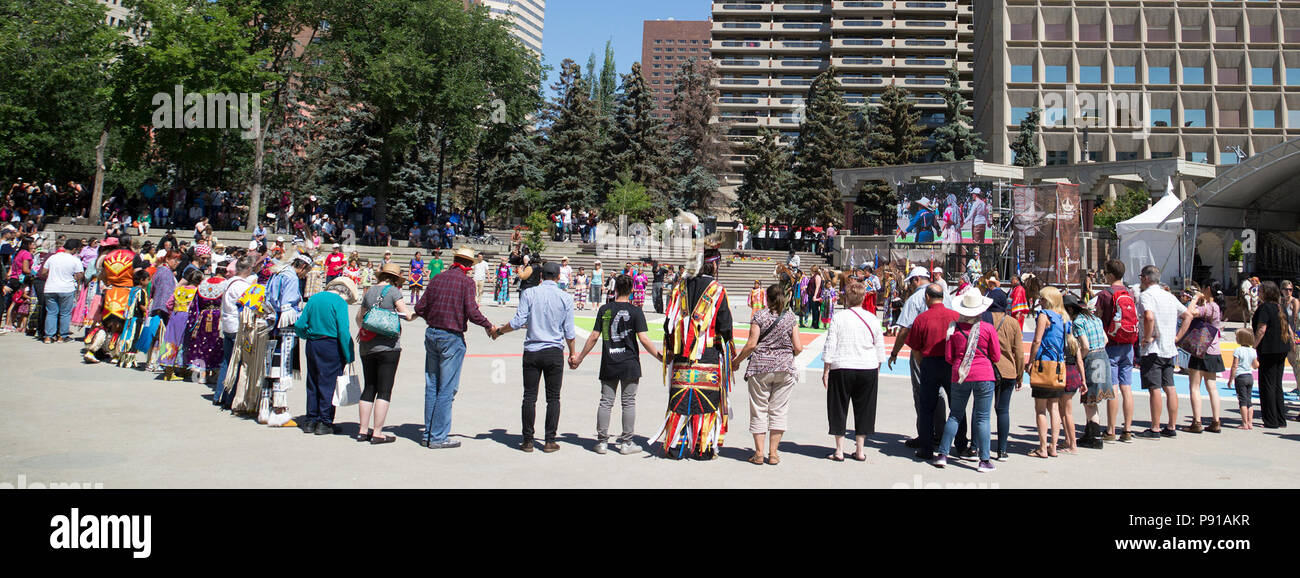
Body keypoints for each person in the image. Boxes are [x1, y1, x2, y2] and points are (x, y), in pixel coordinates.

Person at [653, 241, 735, 460]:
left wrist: (674, 347)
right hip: (708, 354)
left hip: (682, 354)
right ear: (713, 266)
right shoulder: (717, 290)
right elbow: (726, 327)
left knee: (680, 399)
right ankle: (703, 448)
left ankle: (674, 447)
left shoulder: (680, 287)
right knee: (705, 401)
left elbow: (668, 324)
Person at [414, 246, 498, 449]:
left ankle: (428, 433)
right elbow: (472, 310)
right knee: (446, 387)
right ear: (469, 265)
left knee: (432, 385)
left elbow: (419, 308)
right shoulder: (466, 282)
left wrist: (434, 318)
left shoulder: (438, 278)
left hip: (432, 333)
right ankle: (438, 436)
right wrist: (488, 325)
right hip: (451, 336)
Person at [572, 274, 663, 455]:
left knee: (606, 401)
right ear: (631, 291)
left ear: (615, 289)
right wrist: (660, 356)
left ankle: (602, 442)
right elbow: (643, 339)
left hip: (610, 361)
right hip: (629, 362)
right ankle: (626, 442)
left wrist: (580, 357)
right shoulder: (636, 311)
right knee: (628, 402)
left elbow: (594, 336)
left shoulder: (605, 309)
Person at [494, 261, 577, 453]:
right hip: (554, 351)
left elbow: (518, 321)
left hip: (532, 349)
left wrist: (499, 331)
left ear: (541, 276)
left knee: (529, 396)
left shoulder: (530, 293)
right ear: (558, 277)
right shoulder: (566, 297)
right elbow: (569, 331)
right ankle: (549, 440)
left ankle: (528, 440)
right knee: (553, 398)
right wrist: (573, 354)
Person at [816, 280, 885, 462]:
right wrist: (878, 366)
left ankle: (839, 450)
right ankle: (860, 449)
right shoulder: (872, 318)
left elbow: (831, 343)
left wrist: (826, 368)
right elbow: (879, 345)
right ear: (863, 297)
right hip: (867, 367)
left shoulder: (839, 317)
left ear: (846, 298)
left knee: (838, 406)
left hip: (842, 365)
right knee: (865, 408)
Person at [933, 287, 1000, 472]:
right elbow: (996, 356)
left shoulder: (953, 329)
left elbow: (948, 356)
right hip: (984, 374)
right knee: (983, 417)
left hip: (960, 374)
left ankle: (943, 454)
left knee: (955, 414)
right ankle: (984, 459)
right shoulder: (987, 328)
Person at [354, 263, 416, 444]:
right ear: (395, 279)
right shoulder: (394, 292)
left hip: (367, 346)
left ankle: (362, 430)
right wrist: (419, 313)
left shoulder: (370, 292)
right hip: (388, 347)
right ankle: (378, 432)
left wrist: (367, 329)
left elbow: (360, 318)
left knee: (369, 387)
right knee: (384, 390)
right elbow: (407, 315)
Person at [904, 282, 963, 459]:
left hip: (929, 363)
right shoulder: (955, 316)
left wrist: (923, 363)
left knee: (926, 407)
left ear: (927, 297)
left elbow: (915, 348)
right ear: (943, 298)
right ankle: (961, 445)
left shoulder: (921, 319)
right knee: (957, 406)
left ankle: (926, 447)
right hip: (950, 363)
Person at [295, 277, 357, 436]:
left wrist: (306, 335)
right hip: (331, 345)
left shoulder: (314, 298)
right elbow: (343, 331)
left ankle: (310, 420)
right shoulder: (339, 303)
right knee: (328, 383)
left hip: (313, 343)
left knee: (313, 380)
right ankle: (325, 421)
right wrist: (349, 354)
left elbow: (300, 325)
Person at [1133, 265, 1186, 438]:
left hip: (1153, 348)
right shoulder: (1169, 295)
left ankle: (1155, 426)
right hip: (1169, 348)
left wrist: (1147, 337)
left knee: (1154, 388)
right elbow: (1188, 315)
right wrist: (1177, 337)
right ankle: (1171, 425)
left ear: (1146, 278)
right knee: (1169, 386)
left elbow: (1148, 316)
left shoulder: (1146, 296)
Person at [1094, 259, 1139, 442]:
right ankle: (1127, 429)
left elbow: (1098, 317)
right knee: (1126, 387)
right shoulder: (1129, 293)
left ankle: (1111, 429)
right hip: (1128, 344)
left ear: (1110, 275)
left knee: (1113, 388)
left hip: (1111, 344)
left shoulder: (1105, 295)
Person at [1173, 280, 1225, 433]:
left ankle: (1197, 421)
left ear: (1207, 289)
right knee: (1212, 386)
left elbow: (1189, 312)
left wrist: (1195, 298)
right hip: (1214, 350)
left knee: (1195, 386)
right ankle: (1216, 420)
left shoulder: (1208, 308)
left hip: (1200, 350)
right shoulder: (1217, 307)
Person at [1026, 286, 1069, 458]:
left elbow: (1037, 340)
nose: (1040, 302)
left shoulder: (1044, 315)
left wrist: (1030, 362)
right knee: (1054, 408)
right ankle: (1053, 446)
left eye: (1042, 299)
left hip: (1044, 363)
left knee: (1040, 408)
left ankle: (1042, 447)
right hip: (1058, 364)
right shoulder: (1063, 318)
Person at [1068, 293, 1113, 450]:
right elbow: (1106, 340)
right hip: (1103, 356)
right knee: (1095, 398)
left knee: (1089, 399)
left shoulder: (1078, 322)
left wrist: (1080, 358)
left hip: (1091, 359)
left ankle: (1094, 436)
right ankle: (1090, 431)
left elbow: (1085, 346)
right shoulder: (1096, 319)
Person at [983, 289, 1023, 461]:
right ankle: (1002, 450)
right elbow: (1019, 353)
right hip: (1007, 370)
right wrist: (1019, 375)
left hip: (986, 369)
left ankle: (976, 446)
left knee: (981, 411)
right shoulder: (1012, 323)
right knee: (1003, 410)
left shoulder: (983, 319)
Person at [1252, 281, 1293, 428]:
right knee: (1277, 384)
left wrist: (1253, 346)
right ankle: (1280, 419)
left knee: (1267, 385)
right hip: (1281, 348)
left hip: (1268, 349)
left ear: (1266, 293)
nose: (1259, 293)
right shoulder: (1279, 307)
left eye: (1261, 291)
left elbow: (1261, 329)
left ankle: (1270, 420)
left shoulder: (1264, 308)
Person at [158, 268, 203, 381]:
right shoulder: (197, 291)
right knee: (185, 341)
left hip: (175, 316)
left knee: (171, 340)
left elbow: (169, 304)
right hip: (188, 317)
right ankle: (182, 369)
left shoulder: (179, 289)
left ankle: (168, 371)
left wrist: (172, 313)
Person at [39, 239, 85, 343]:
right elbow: (80, 274)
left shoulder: (53, 257)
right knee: (65, 313)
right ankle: (62, 336)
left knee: (51, 312)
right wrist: (73, 278)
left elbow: (44, 272)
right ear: (74, 249)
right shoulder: (75, 260)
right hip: (66, 288)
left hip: (50, 287)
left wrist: (52, 277)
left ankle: (48, 336)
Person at [1230, 328, 1259, 429]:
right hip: (1249, 376)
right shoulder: (1252, 351)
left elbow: (1234, 366)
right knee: (1249, 400)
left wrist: (1230, 379)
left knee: (1242, 401)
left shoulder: (1238, 350)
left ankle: (1244, 423)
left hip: (1240, 377)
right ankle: (1250, 422)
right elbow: (1255, 365)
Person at [1281, 280, 1300, 394]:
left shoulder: (1295, 301)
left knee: (1297, 359)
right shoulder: (1282, 301)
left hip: (1296, 333)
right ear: (1282, 290)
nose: (1288, 292)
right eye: (1286, 289)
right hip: (1286, 334)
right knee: (1291, 361)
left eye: (1290, 289)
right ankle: (1298, 385)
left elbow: (1295, 320)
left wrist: (1295, 338)